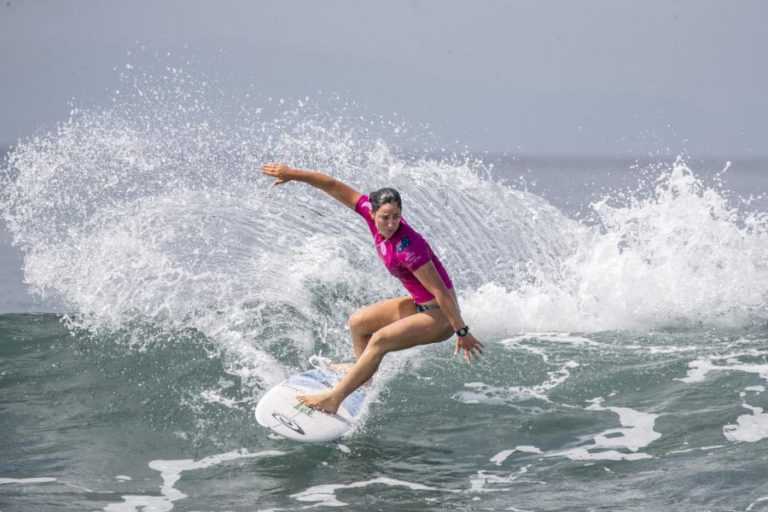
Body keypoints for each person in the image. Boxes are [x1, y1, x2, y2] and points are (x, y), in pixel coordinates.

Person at [260, 163, 484, 414]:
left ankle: (334, 399)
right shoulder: (368, 211)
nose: (390, 223)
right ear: (373, 212)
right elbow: (333, 186)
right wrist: (293, 174)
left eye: (396, 217)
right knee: (358, 322)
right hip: (419, 305)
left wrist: (461, 331)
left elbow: (442, 292)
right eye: (385, 217)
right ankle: (363, 376)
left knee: (378, 341)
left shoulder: (409, 248)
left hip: (441, 316)